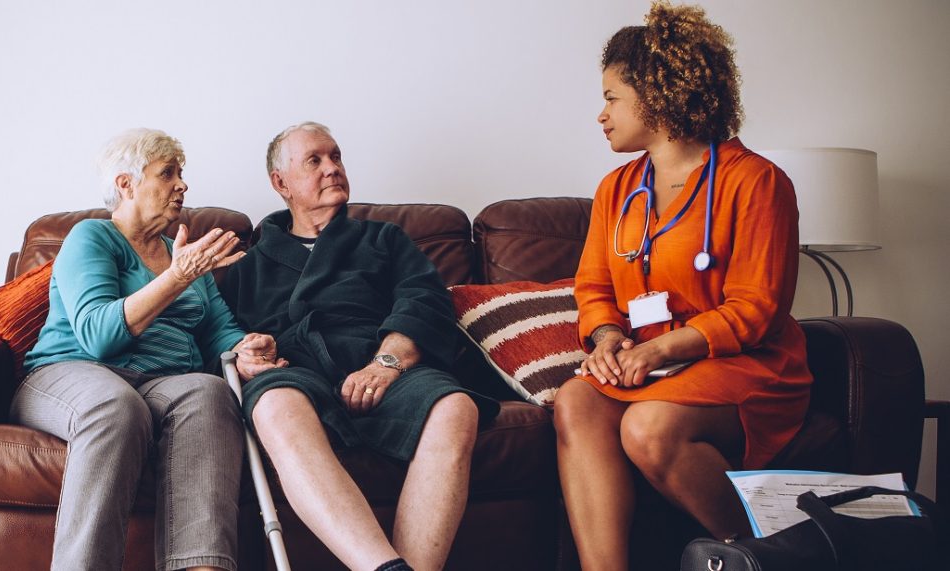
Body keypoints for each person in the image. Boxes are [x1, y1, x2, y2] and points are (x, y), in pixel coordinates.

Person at [553, 3, 813, 569]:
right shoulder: (616, 189)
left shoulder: (757, 182)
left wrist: (660, 349)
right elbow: (593, 285)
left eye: (611, 97)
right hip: (656, 360)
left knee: (648, 427)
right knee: (576, 397)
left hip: (742, 361)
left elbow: (758, 307)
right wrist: (605, 340)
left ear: (660, 93)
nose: (601, 114)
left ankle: (775, 554)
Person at [224, 122, 499, 571]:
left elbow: (423, 299)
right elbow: (226, 333)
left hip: (384, 363)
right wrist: (248, 354)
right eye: (315, 160)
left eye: (336, 156)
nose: (332, 168)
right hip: (299, 370)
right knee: (272, 405)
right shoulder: (247, 264)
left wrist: (386, 363)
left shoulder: (383, 239)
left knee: (456, 408)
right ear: (281, 183)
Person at [12, 128, 284, 571]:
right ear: (126, 184)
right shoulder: (93, 238)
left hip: (160, 381)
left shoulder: (181, 253)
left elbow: (218, 332)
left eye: (181, 173)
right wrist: (178, 276)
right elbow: (98, 334)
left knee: (209, 392)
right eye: (168, 173)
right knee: (115, 406)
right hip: (72, 372)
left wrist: (247, 349)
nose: (183, 184)